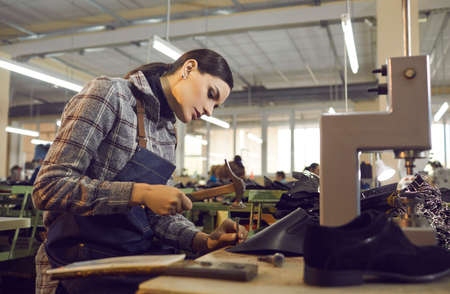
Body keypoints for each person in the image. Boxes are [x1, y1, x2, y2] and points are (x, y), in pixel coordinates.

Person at [32, 49, 248, 294]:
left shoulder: (168, 133)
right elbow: (48, 188)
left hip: (130, 257)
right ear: (188, 68)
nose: (209, 110)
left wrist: (204, 240)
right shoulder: (110, 95)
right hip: (77, 263)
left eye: (216, 106)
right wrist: (139, 192)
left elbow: (158, 218)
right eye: (211, 95)